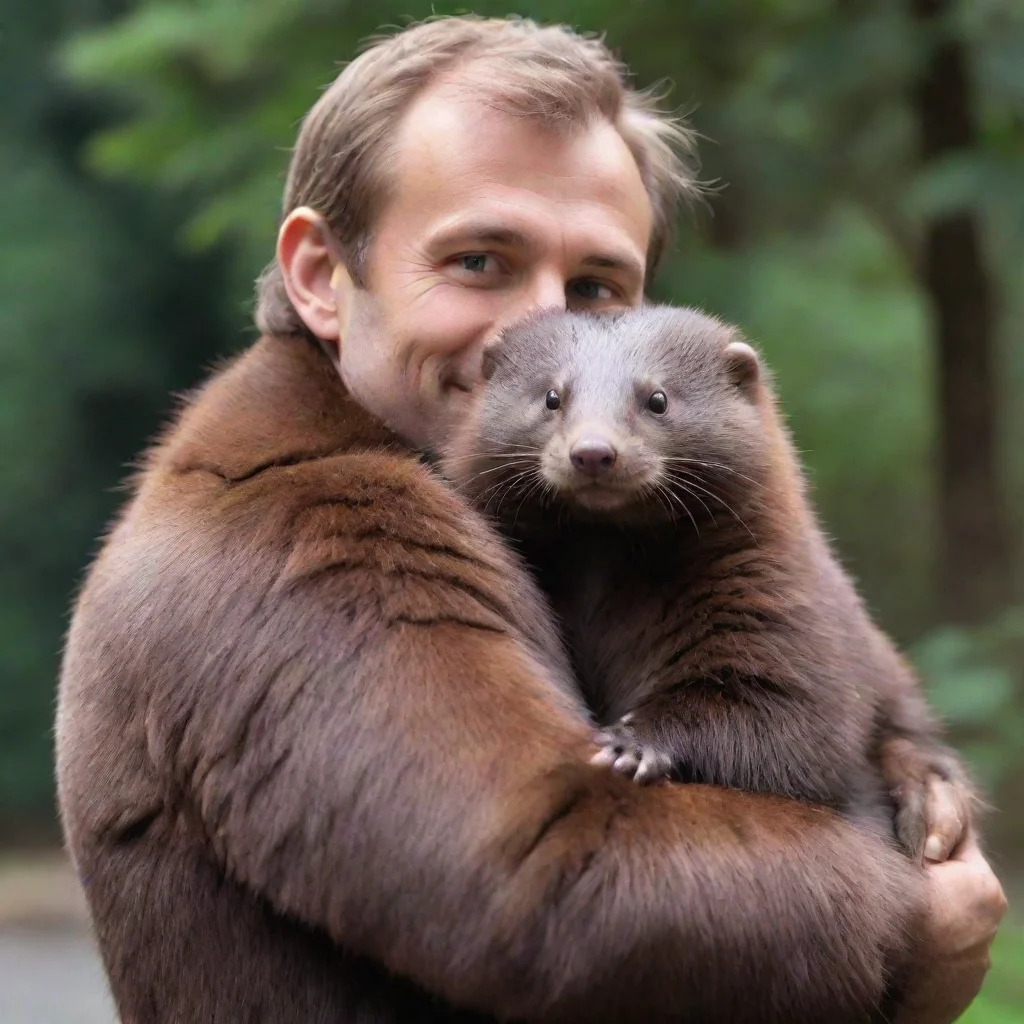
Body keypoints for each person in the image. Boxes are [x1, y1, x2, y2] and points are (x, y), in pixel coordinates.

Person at [57, 14, 1005, 1023]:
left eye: (595, 285)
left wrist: (902, 751)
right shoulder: (277, 526)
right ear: (321, 277)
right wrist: (909, 910)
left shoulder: (537, 514)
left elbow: (823, 678)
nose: (543, 330)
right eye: (478, 260)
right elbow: (564, 900)